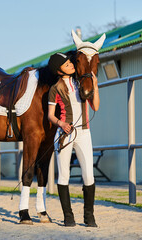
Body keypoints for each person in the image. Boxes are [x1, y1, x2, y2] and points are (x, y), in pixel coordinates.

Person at [47, 52, 100, 227]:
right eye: (66, 64)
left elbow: (96, 106)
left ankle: (89, 217)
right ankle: (68, 217)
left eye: (70, 62)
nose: (70, 64)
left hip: (84, 133)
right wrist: (61, 124)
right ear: (59, 70)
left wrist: (96, 85)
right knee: (64, 175)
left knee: (88, 175)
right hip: (65, 134)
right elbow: (50, 116)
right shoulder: (55, 89)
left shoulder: (81, 83)